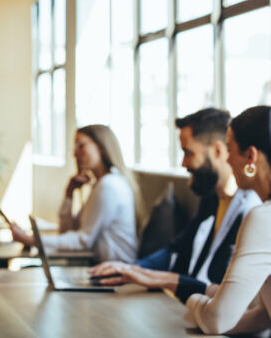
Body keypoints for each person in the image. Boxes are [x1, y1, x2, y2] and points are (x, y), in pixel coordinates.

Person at [89, 108, 261, 301]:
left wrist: (161, 279)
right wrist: (131, 268)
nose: (183, 163)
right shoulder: (211, 199)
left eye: (188, 152)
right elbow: (178, 247)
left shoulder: (252, 209)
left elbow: (223, 289)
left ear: (218, 151)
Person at [184, 106, 271, 334]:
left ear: (250, 156)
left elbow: (217, 320)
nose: (228, 159)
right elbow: (264, 316)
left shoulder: (263, 218)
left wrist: (193, 303)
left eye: (230, 149)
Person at [10, 124, 141, 262]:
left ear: (101, 148)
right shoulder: (100, 184)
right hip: (101, 268)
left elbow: (83, 241)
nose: (75, 153)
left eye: (81, 146)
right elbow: (67, 231)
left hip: (115, 273)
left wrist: (31, 240)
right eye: (75, 147)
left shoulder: (109, 186)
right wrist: (69, 194)